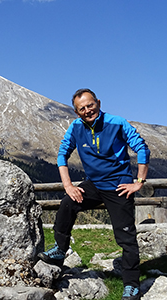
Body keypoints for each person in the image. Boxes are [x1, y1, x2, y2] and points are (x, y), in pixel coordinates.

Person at [38, 88, 149, 300]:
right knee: (67, 203)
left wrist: (139, 182)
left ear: (98, 102)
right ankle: (61, 249)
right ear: (76, 112)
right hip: (94, 184)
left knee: (125, 237)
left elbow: (142, 148)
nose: (88, 110)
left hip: (119, 186)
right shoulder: (76, 127)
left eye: (91, 105)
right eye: (82, 108)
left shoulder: (117, 122)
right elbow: (62, 155)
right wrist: (69, 186)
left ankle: (132, 285)